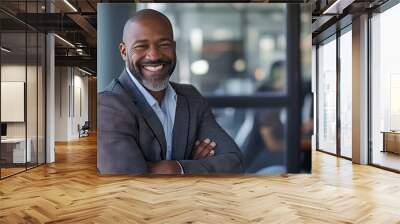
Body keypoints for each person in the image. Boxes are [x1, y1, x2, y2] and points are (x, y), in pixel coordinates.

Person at [97, 9, 244, 175]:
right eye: (141, 46)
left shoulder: (190, 97)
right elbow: (129, 182)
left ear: (173, 47)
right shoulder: (108, 106)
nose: (154, 55)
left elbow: (234, 162)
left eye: (163, 44)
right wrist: (195, 167)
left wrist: (177, 168)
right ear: (124, 52)